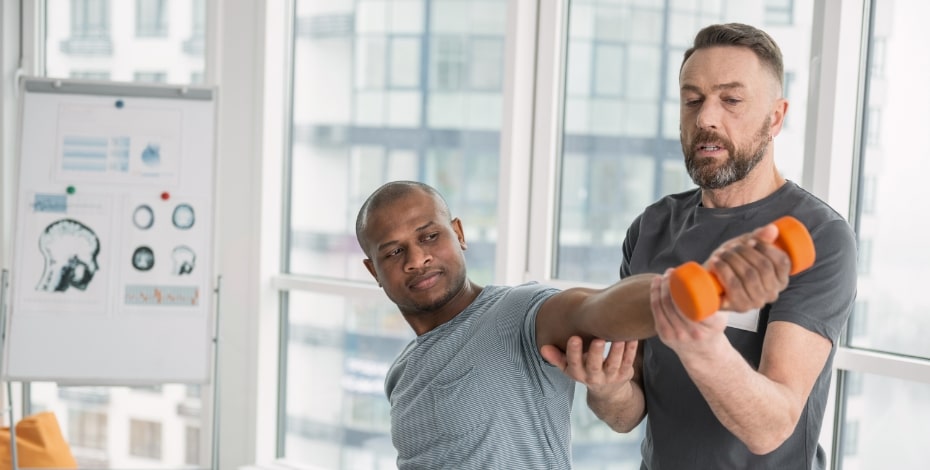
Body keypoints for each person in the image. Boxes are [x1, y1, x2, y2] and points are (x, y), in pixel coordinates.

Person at [541, 23, 858, 469]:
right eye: (693, 100)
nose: (706, 118)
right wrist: (606, 387)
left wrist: (699, 342)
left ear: (775, 117)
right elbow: (627, 414)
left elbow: (771, 427)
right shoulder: (651, 227)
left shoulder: (818, 234)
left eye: (731, 100)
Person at [356, 180, 794, 469]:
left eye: (429, 236)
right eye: (393, 252)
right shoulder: (402, 374)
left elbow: (597, 308)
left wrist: (692, 289)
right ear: (373, 272)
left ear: (459, 234)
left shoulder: (518, 313)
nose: (417, 259)